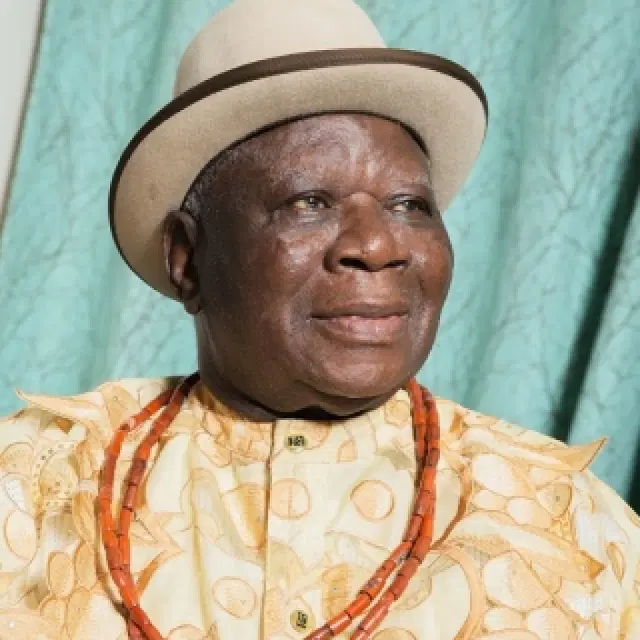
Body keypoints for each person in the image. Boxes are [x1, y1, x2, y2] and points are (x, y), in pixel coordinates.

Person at [0, 0, 638, 638]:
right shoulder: (33, 485)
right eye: (309, 202)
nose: (377, 244)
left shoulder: (571, 526)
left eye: (409, 205)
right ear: (188, 259)